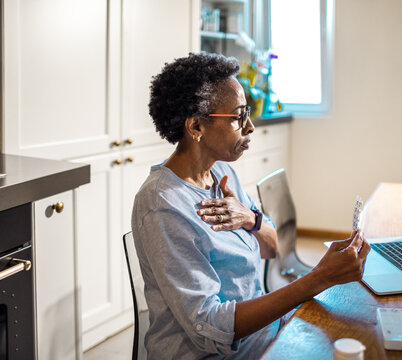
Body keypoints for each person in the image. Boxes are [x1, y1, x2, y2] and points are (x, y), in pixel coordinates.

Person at [131, 52, 371, 360]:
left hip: (262, 335)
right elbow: (209, 325)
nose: (251, 127)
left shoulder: (221, 173)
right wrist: (319, 278)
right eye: (239, 116)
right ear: (196, 128)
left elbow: (271, 248)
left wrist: (250, 218)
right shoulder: (162, 204)